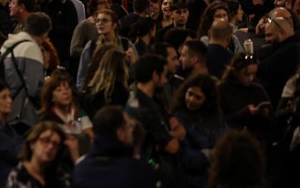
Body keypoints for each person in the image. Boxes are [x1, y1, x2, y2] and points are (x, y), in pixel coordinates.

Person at [126, 54, 186, 188]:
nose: (165, 81)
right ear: (155, 75)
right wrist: (170, 136)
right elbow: (172, 146)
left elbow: (179, 128)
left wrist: (166, 137)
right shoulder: (144, 109)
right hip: (152, 174)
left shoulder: (152, 99)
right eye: (164, 75)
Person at [72, 105, 156, 188]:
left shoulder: (80, 170)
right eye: (129, 126)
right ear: (120, 134)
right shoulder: (137, 171)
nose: (131, 130)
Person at [171, 74, 226, 188]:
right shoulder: (179, 119)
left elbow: (225, 138)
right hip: (193, 180)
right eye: (190, 94)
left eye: (198, 97)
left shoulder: (216, 115)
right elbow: (186, 158)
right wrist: (211, 155)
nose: (191, 100)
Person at [39, 71, 93, 159]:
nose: (65, 93)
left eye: (67, 88)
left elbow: (90, 135)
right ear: (52, 97)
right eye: (59, 90)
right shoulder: (47, 118)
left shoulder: (79, 113)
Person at [217, 53, 272, 141]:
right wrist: (244, 113)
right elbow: (219, 120)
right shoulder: (222, 90)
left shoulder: (257, 89)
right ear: (235, 72)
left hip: (255, 139)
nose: (251, 78)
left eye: (254, 74)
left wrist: (265, 113)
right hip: (231, 139)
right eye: (246, 74)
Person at [5, 121, 69, 188]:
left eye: (55, 144)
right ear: (32, 143)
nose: (50, 147)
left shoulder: (58, 176)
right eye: (46, 141)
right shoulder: (18, 176)